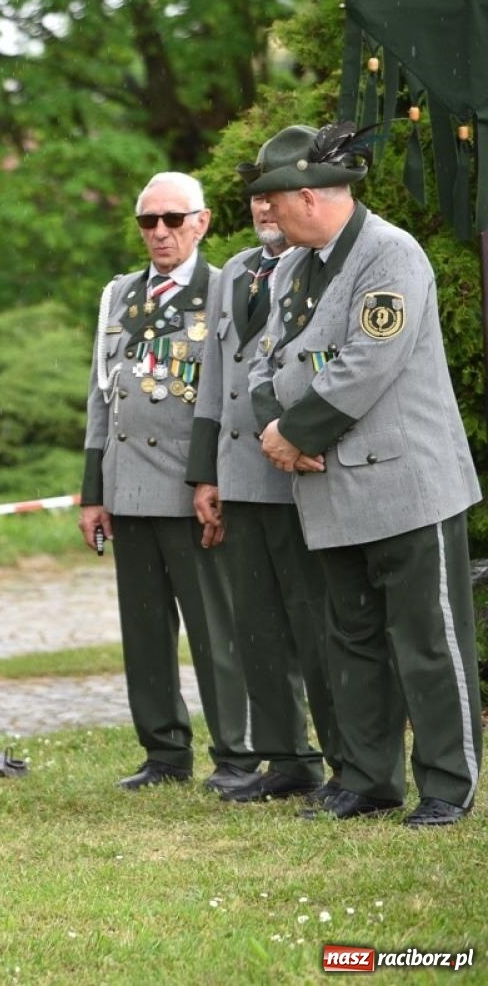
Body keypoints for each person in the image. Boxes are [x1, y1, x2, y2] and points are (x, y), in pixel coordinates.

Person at [245, 122, 482, 826]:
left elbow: (368, 361)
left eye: (273, 199)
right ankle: (367, 778)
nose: (265, 212)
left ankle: (447, 786)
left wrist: (293, 433)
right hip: (329, 485)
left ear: (312, 196)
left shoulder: (390, 254)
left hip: (408, 485)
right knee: (350, 639)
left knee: (427, 642)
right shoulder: (289, 269)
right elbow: (265, 362)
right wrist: (276, 429)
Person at [78, 171, 258, 793]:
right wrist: (92, 493)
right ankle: (164, 751)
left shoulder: (223, 290)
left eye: (173, 220)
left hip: (189, 488)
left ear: (201, 222)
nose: (159, 233)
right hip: (127, 488)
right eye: (147, 222)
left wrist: (212, 478)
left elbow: (228, 398)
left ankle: (238, 752)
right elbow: (103, 396)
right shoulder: (119, 295)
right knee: (145, 633)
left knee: (216, 630)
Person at [186, 149, 344, 805]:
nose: (260, 205)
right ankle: (287, 761)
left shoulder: (323, 271)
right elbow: (215, 380)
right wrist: (205, 473)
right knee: (257, 628)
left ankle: (346, 761)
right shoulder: (237, 275)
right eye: (253, 195)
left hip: (298, 471)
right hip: (240, 473)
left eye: (271, 193)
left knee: (317, 626)